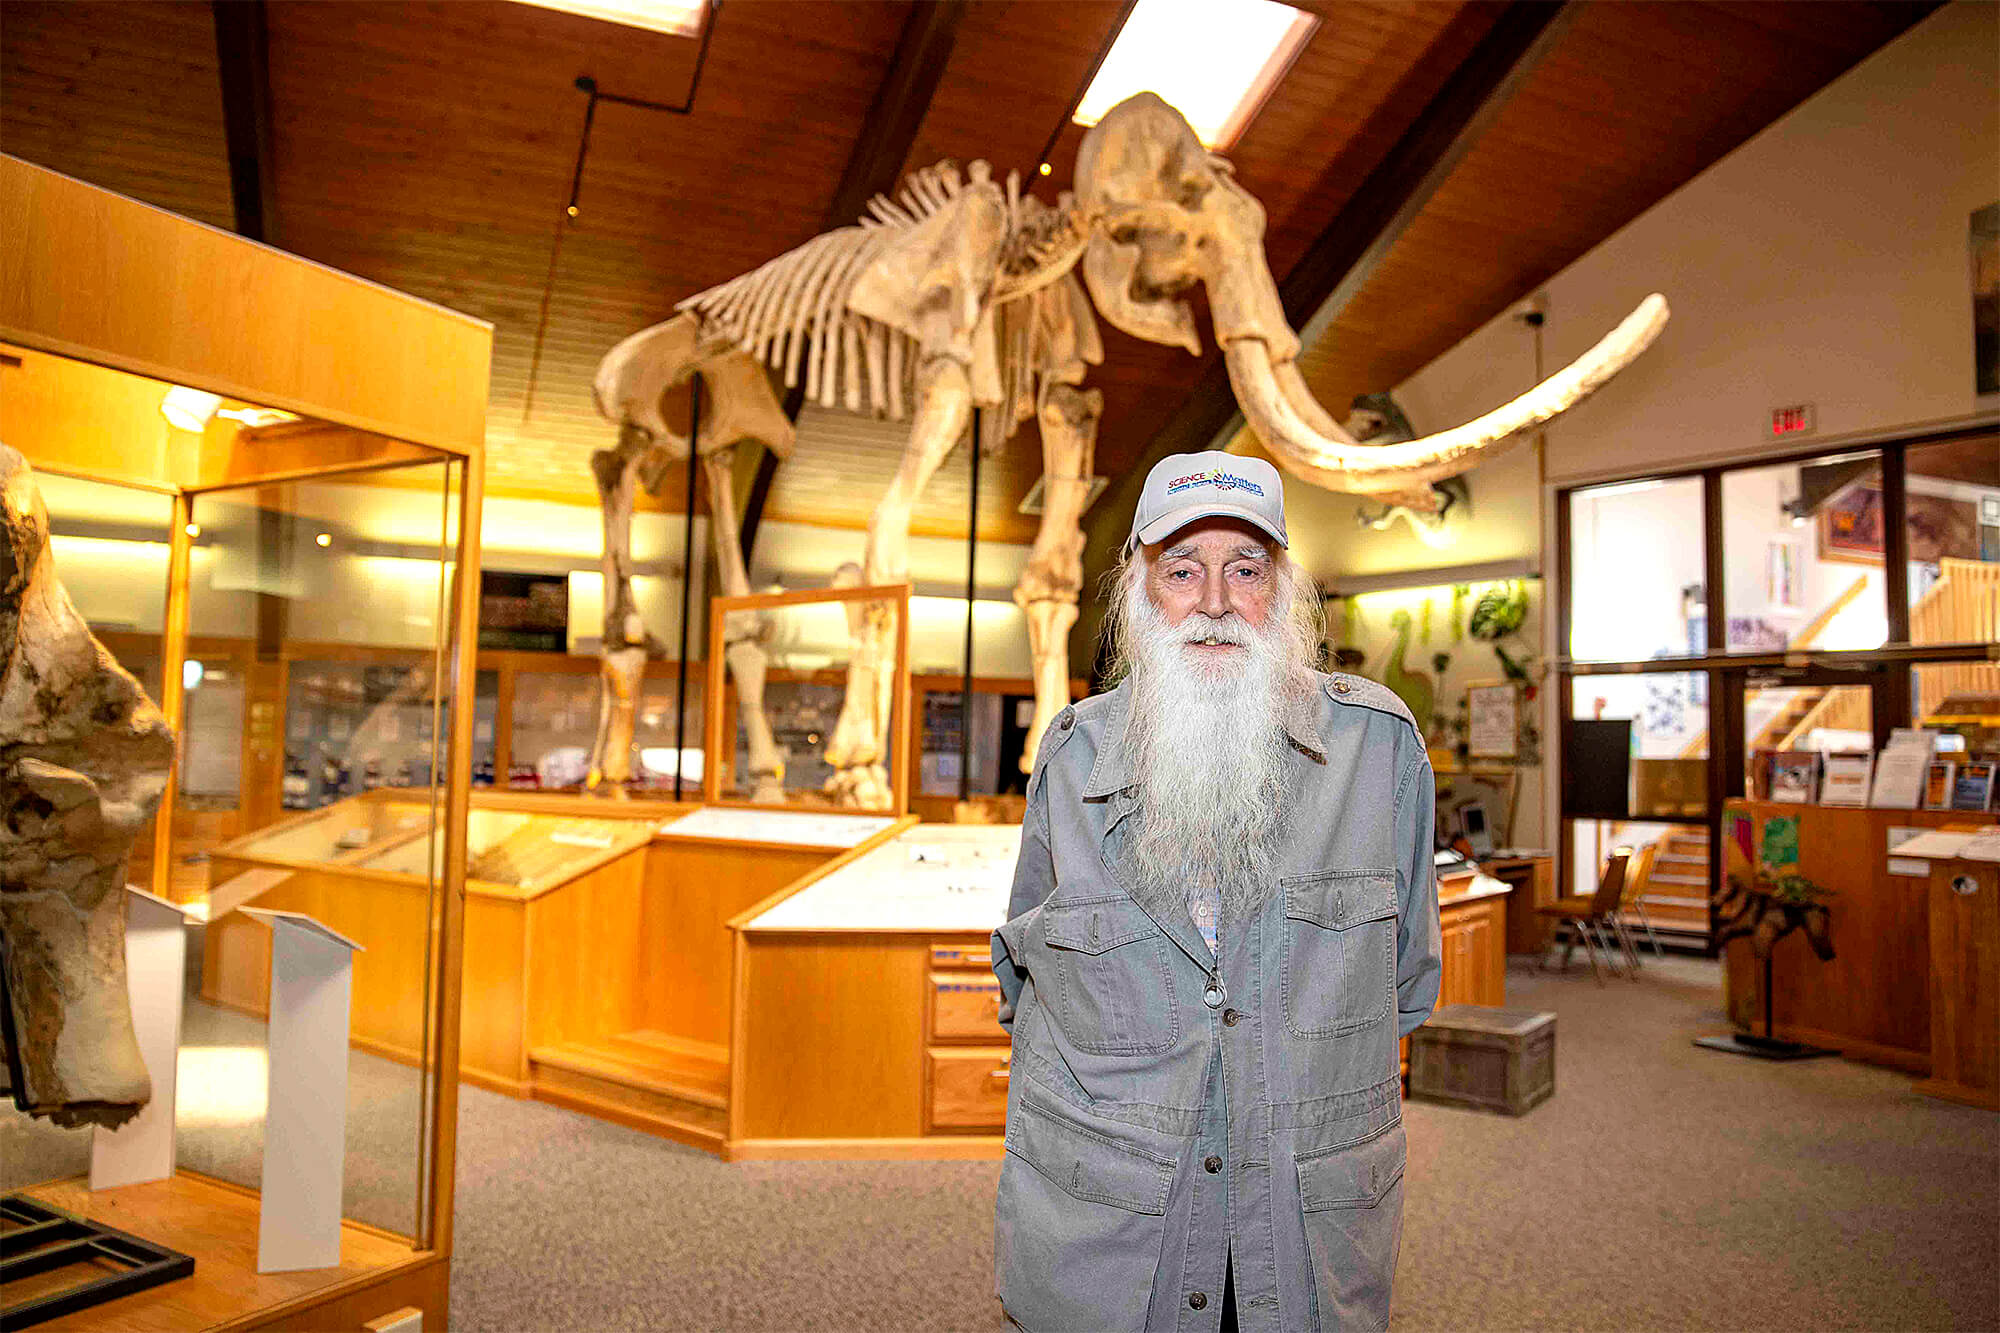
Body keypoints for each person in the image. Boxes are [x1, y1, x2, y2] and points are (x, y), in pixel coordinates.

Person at [990, 450, 1443, 1332]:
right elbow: (1023, 981)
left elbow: (1407, 980)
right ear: (1139, 589)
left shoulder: (1379, 750)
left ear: (1284, 590)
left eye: (1246, 569)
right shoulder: (1072, 753)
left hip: (1306, 1229)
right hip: (1113, 1234)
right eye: (1182, 570)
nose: (1215, 602)